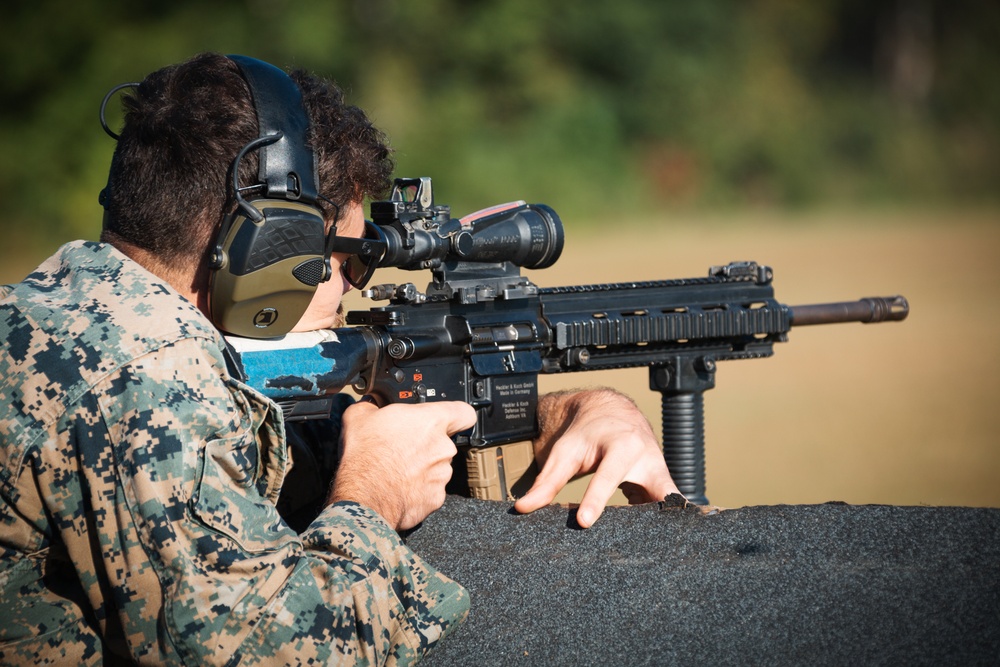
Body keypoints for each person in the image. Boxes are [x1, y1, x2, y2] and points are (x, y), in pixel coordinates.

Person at [0, 53, 677, 665]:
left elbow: (256, 448)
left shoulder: (60, 317)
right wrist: (371, 498)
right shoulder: (147, 381)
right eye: (347, 259)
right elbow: (264, 651)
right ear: (270, 245)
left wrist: (555, 412)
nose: (360, 285)